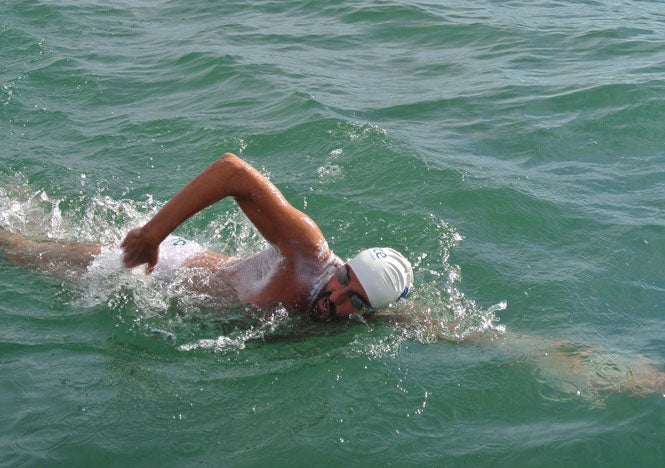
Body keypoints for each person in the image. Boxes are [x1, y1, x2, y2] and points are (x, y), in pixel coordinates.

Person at [0, 152, 413, 322]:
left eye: (355, 300)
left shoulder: (357, 321)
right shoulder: (308, 250)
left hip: (186, 300)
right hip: (164, 272)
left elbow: (420, 318)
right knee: (21, 251)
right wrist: (151, 235)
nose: (337, 297)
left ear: (366, 311)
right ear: (343, 267)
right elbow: (232, 170)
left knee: (40, 239)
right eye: (344, 281)